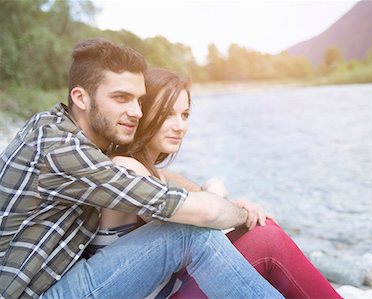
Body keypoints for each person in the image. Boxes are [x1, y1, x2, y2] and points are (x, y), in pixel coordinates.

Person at [0, 38, 284, 299]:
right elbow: (188, 207)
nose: (137, 112)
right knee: (186, 235)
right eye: (121, 98)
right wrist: (243, 213)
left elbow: (150, 179)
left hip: (50, 285)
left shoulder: (56, 128)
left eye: (139, 100)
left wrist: (202, 189)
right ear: (81, 98)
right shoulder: (63, 151)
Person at [92, 68, 343, 299]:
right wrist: (223, 196)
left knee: (262, 229)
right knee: (268, 240)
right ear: (142, 113)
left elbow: (204, 208)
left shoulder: (155, 173)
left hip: (170, 290)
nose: (180, 126)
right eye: (168, 114)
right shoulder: (126, 169)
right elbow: (199, 223)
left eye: (185, 114)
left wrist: (238, 209)